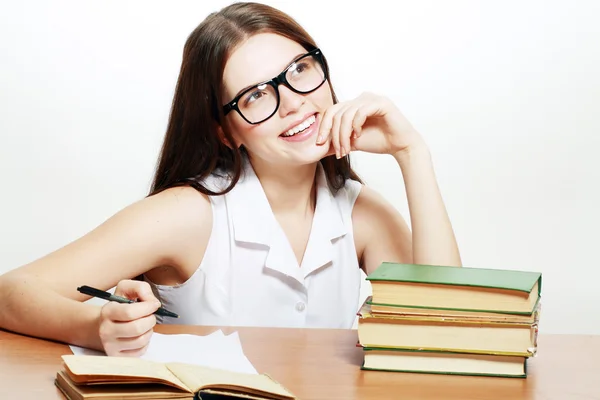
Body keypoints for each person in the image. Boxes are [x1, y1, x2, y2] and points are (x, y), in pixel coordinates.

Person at [0, 1, 461, 357]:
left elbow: (452, 332)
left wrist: (411, 153)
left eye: (301, 70)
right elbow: (11, 293)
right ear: (225, 132)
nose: (295, 102)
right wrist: (95, 327)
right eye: (257, 95)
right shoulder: (189, 213)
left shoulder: (362, 213)